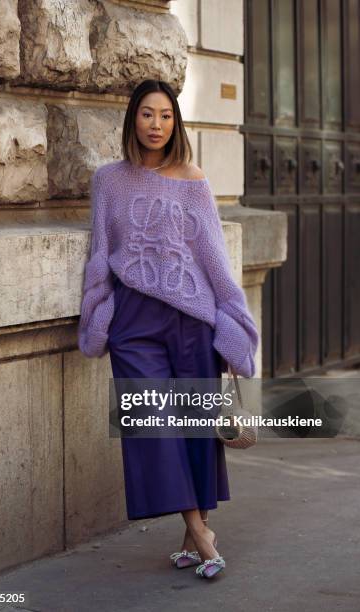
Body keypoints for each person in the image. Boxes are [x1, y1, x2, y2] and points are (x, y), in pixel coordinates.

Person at [78, 79, 259, 579]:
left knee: (196, 430)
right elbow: (100, 254)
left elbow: (214, 260)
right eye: (146, 114)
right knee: (154, 427)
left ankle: (190, 530)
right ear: (132, 120)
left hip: (191, 320)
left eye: (165, 115)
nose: (156, 125)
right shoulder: (109, 181)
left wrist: (232, 321)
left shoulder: (193, 179)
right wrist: (98, 314)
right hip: (133, 322)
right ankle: (202, 532)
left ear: (175, 122)